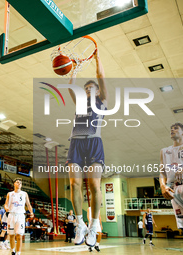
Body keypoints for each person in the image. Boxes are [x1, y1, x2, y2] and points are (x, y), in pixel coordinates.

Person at [67, 49, 107, 247]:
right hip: (76, 142)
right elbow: (70, 87)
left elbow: (101, 76)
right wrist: (74, 69)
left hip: (94, 142)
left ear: (98, 91)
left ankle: (93, 224)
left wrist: (97, 59)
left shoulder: (102, 100)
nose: (88, 90)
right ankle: (80, 223)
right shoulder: (80, 102)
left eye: (92, 87)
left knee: (94, 186)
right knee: (75, 184)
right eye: (86, 88)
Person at [159, 123, 183, 232]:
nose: (172, 130)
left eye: (176, 128)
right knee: (182, 225)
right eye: (171, 128)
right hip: (174, 189)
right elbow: (162, 172)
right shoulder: (164, 151)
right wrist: (163, 186)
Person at [4, 178, 34, 255]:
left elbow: (28, 204)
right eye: (17, 182)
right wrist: (6, 208)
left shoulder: (24, 194)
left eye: (20, 183)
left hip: (20, 216)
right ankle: (13, 250)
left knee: (19, 235)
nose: (19, 184)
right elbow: (6, 204)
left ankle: (18, 253)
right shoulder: (9, 194)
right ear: (14, 184)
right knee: (11, 235)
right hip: (11, 215)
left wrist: (31, 212)